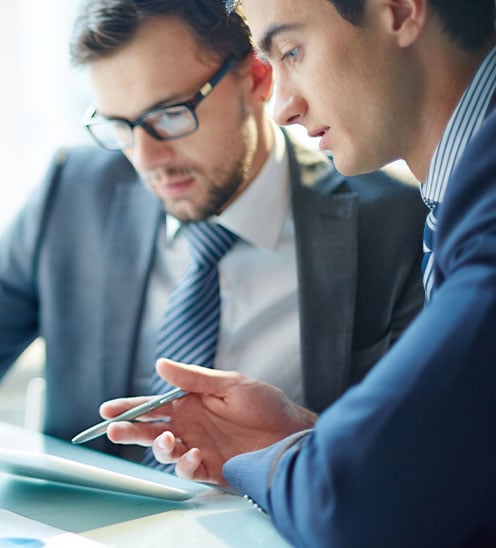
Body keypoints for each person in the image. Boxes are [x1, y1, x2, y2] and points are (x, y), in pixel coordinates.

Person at [0, 0, 425, 495]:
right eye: (119, 125)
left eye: (170, 115)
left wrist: (301, 440)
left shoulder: (390, 221)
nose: (147, 160)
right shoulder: (78, 192)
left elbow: (417, 448)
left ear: (256, 79)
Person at [102, 0, 496, 544]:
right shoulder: (460, 197)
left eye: (292, 51)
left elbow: (355, 501)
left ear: (402, 11)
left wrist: (292, 461)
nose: (282, 107)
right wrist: (309, 440)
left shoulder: (480, 206)